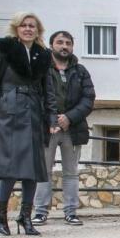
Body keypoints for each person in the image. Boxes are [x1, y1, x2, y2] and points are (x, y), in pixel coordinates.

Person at [0, 12, 58, 237]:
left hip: (33, 112)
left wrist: (51, 118)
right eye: (23, 25)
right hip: (8, 113)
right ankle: (1, 217)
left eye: (32, 26)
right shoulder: (5, 49)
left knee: (33, 168)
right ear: (16, 28)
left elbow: (48, 90)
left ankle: (25, 217)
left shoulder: (43, 55)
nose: (27, 29)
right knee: (9, 167)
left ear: (38, 30)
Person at [33, 30, 94, 227]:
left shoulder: (81, 71)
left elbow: (88, 99)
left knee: (71, 172)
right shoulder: (42, 69)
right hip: (48, 128)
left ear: (72, 47)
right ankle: (40, 212)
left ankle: (70, 212)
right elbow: (37, 96)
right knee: (44, 171)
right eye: (60, 42)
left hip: (73, 128)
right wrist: (52, 119)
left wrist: (69, 117)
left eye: (68, 43)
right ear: (52, 45)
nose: (64, 46)